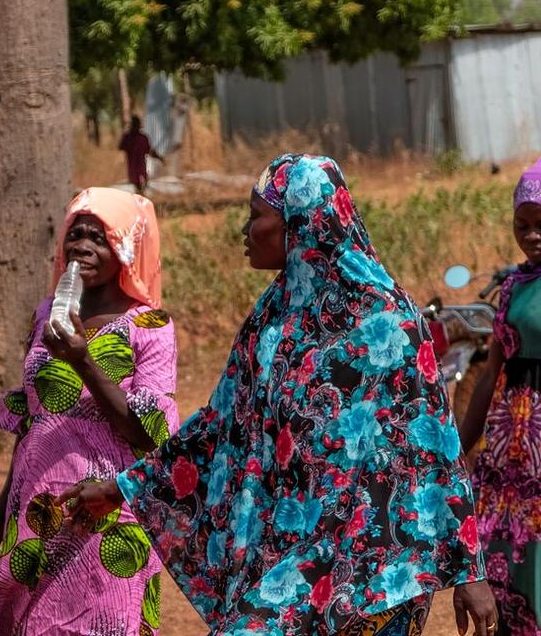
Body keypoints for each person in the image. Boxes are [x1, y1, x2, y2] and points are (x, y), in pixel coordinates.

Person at [64, 153, 499, 635]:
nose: (245, 231)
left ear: (300, 223)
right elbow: (218, 428)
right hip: (283, 548)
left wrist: (469, 569)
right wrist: (121, 487)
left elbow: (432, 443)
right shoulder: (270, 320)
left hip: (373, 565)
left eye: (257, 217)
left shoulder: (388, 320)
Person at [0, 187, 179, 635]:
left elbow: (149, 434)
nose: (81, 245)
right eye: (75, 234)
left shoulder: (150, 327)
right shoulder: (49, 316)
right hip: (36, 514)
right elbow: (33, 426)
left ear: (126, 248)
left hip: (105, 514)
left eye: (99, 237)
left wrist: (82, 359)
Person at [459, 157, 541, 635]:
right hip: (513, 461)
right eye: (522, 224)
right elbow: (490, 376)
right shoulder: (512, 288)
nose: (532, 235)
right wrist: (456, 451)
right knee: (513, 564)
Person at [118, 116, 162, 195]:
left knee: (139, 190)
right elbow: (150, 151)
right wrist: (159, 158)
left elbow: (121, 147)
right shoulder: (140, 138)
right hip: (138, 170)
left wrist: (159, 158)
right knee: (140, 190)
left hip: (136, 170)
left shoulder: (129, 137)